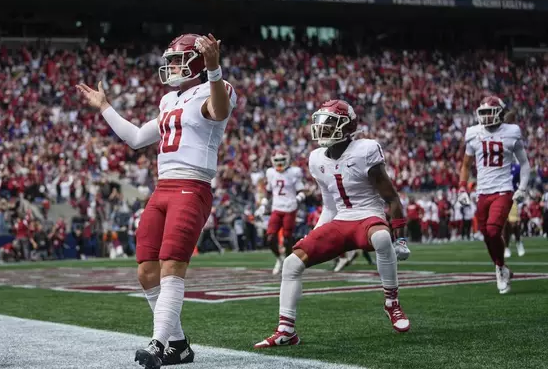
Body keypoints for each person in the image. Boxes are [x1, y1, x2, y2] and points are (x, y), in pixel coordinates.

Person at [77, 33, 237, 369]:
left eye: (179, 60)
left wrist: (214, 68)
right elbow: (135, 138)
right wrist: (105, 107)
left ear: (196, 62)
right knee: (146, 270)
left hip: (192, 187)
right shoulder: (169, 100)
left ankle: (158, 343)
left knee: (171, 267)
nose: (172, 67)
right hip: (162, 188)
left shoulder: (216, 87)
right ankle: (178, 344)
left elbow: (219, 111)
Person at [254, 100, 411, 349]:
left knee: (382, 238)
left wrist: (400, 238)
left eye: (330, 124)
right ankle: (286, 330)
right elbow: (329, 206)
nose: (322, 129)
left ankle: (392, 302)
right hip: (340, 221)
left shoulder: (365, 149)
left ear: (347, 127)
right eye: (321, 123)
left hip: (367, 216)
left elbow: (391, 197)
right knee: (292, 262)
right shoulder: (316, 158)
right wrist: (317, 235)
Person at [458, 96, 530, 294]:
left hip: (503, 189)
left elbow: (524, 163)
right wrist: (462, 188)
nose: (487, 117)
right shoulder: (473, 133)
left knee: (492, 230)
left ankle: (499, 268)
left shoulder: (512, 131)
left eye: (491, 113)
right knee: (486, 235)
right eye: (484, 113)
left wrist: (522, 187)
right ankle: (503, 267)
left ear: (500, 113)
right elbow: (465, 165)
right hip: (482, 192)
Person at [259, 148, 306, 275]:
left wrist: (298, 199)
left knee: (287, 239)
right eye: (277, 160)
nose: (279, 163)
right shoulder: (270, 172)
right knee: (269, 238)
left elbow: (302, 190)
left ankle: (288, 263)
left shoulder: (294, 172)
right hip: (276, 208)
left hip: (290, 209)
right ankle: (279, 258)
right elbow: (268, 190)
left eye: (282, 160)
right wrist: (263, 203)